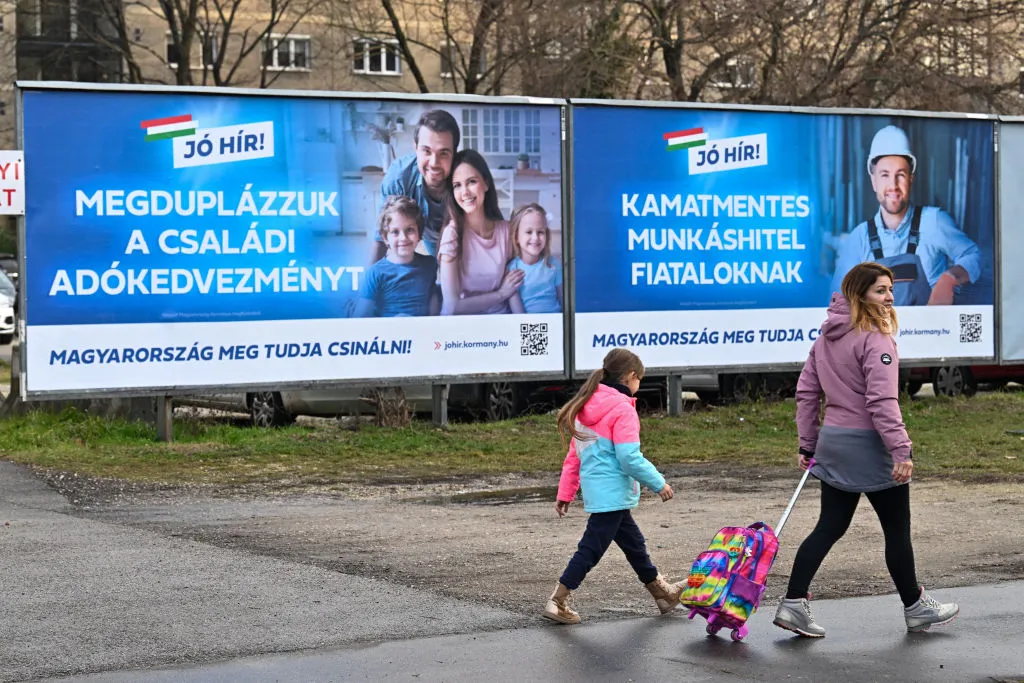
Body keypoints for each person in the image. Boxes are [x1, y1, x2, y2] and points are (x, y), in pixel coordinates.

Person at [774, 261, 959, 638]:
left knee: (829, 526)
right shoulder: (876, 339)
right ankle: (916, 606)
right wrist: (902, 450)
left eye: (890, 289)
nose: (889, 297)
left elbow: (808, 394)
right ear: (860, 295)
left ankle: (793, 604)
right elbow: (881, 402)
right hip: (870, 445)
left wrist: (808, 444)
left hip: (834, 444)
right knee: (896, 529)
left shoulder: (824, 338)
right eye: (880, 290)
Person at [543, 348, 683, 625]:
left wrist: (565, 494)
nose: (638, 385)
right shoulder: (622, 409)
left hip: (599, 492)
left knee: (634, 544)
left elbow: (574, 456)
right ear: (631, 377)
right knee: (591, 548)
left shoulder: (585, 407)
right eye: (639, 380)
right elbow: (628, 457)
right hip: (614, 491)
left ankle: (661, 593)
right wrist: (659, 483)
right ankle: (558, 600)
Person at [829, 124, 983, 306]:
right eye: (885, 175)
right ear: (874, 181)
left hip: (930, 332)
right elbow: (836, 303)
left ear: (911, 178)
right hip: (877, 334)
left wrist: (949, 279)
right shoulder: (859, 238)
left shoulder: (934, 221)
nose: (893, 184)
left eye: (900, 175)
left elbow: (974, 256)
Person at [438, 149, 524, 315]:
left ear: (486, 184)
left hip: (500, 319)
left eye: (471, 182)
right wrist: (500, 294)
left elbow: (514, 282)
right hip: (463, 326)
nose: (465, 192)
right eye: (457, 185)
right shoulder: (452, 234)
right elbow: (453, 306)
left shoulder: (506, 230)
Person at [370, 109, 461, 264]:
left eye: (444, 153)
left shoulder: (464, 175)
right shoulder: (399, 177)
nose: (434, 163)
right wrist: (369, 284)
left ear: (454, 153)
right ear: (416, 148)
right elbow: (382, 237)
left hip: (457, 235)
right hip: (424, 232)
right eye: (426, 151)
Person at [353, 195, 440, 318]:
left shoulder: (430, 264)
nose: (403, 238)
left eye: (410, 230)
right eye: (395, 232)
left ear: (419, 234)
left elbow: (433, 306)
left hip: (422, 332)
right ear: (385, 238)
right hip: (389, 334)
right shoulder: (376, 273)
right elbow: (361, 317)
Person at [507, 203, 562, 314]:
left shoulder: (553, 265)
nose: (535, 238)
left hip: (555, 323)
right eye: (528, 232)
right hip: (528, 326)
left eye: (540, 232)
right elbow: (518, 314)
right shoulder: (512, 269)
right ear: (516, 236)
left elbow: (563, 299)